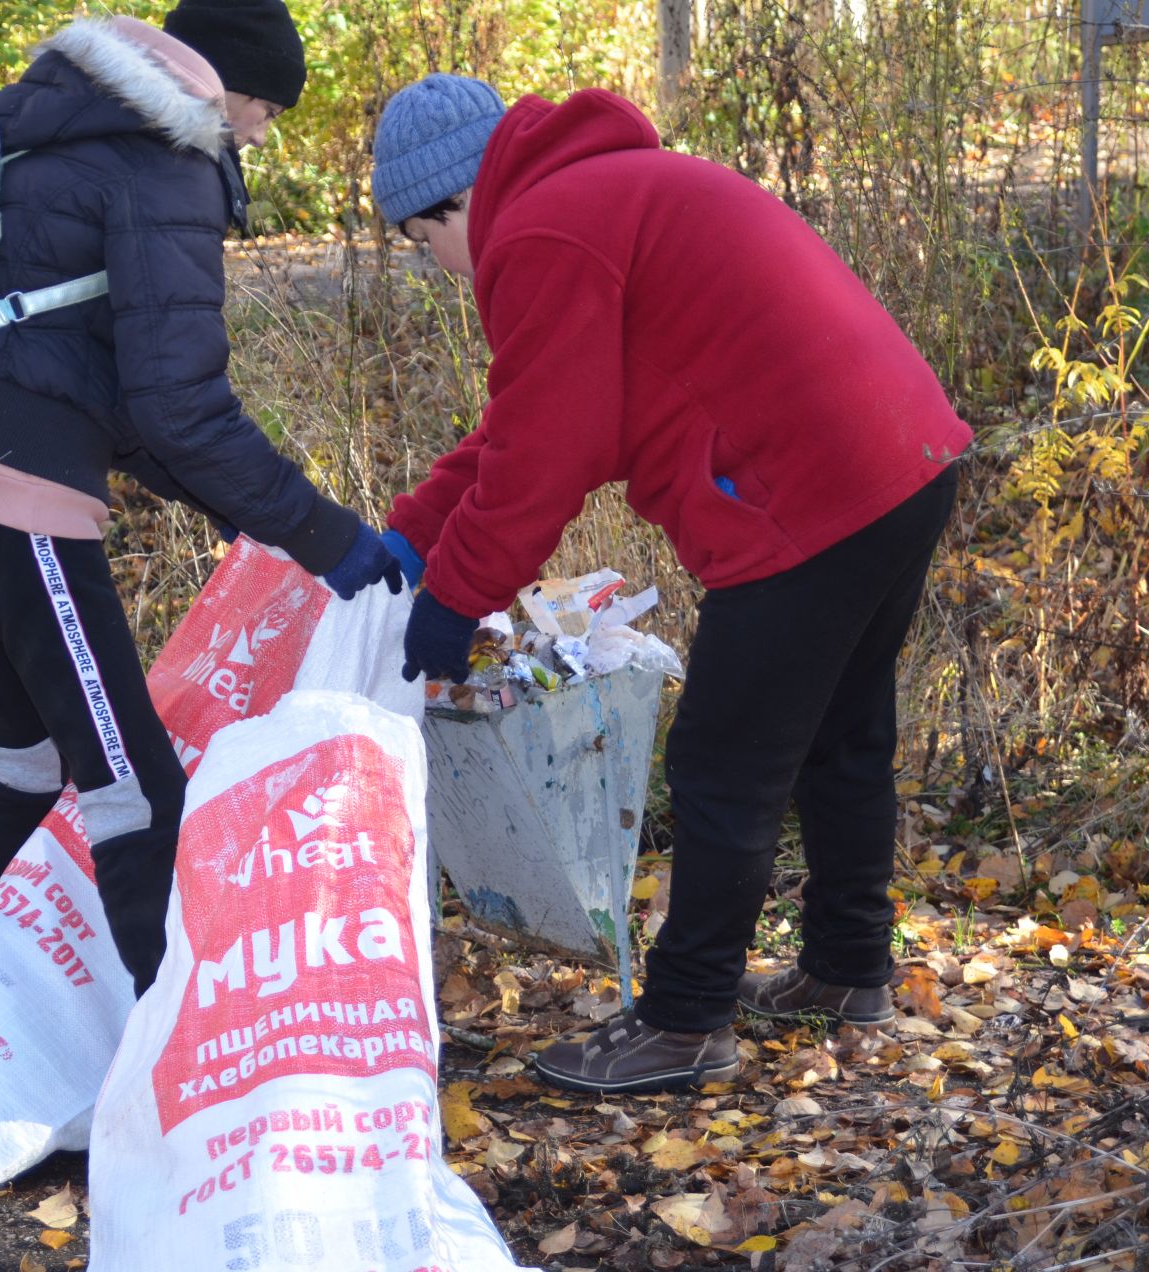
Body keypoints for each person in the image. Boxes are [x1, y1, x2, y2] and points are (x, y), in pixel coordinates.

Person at [369, 74, 971, 1093]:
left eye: (419, 239)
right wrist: (408, 541)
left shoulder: (541, 234)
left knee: (721, 761)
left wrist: (454, 598)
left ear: (452, 201)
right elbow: (530, 422)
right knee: (842, 733)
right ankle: (848, 967)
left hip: (807, 492)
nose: (432, 263)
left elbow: (543, 455)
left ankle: (686, 1022)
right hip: (904, 460)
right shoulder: (613, 187)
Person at [0, 1, 399, 996]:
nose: (259, 133)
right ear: (227, 82)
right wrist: (326, 537)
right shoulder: (163, 160)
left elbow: (112, 397)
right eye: (265, 109)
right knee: (135, 790)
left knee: (26, 763)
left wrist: (255, 521)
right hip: (20, 504)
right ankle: (169, 1070)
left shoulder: (59, 124)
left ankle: (18, 1020)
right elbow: (182, 407)